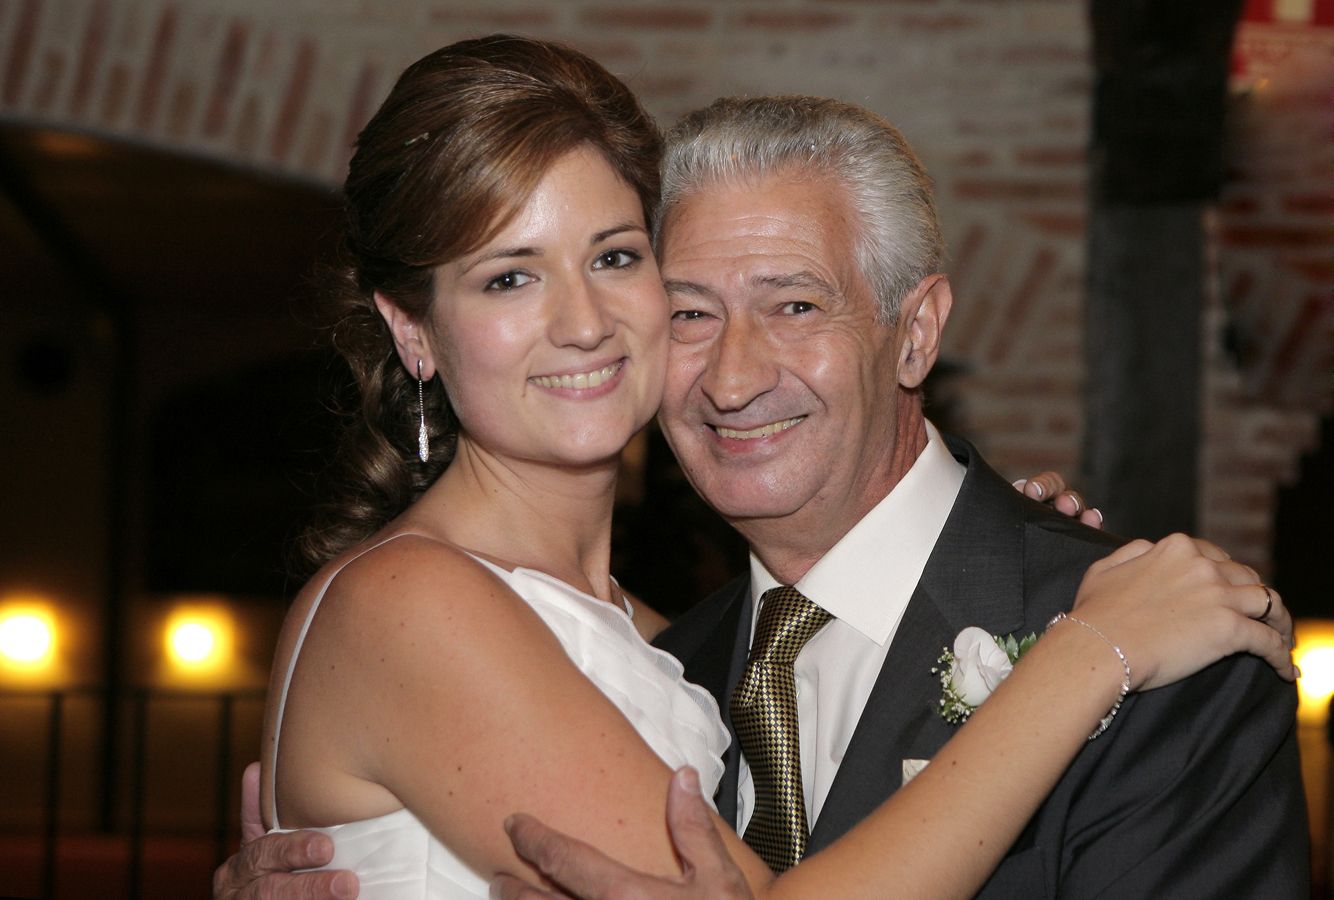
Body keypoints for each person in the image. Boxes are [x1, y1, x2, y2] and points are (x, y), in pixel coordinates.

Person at [213, 37, 1300, 900]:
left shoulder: (659, 648)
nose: (585, 323)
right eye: (509, 278)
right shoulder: (422, 606)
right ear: (412, 331)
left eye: (614, 259)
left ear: (916, 333)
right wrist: (1083, 655)